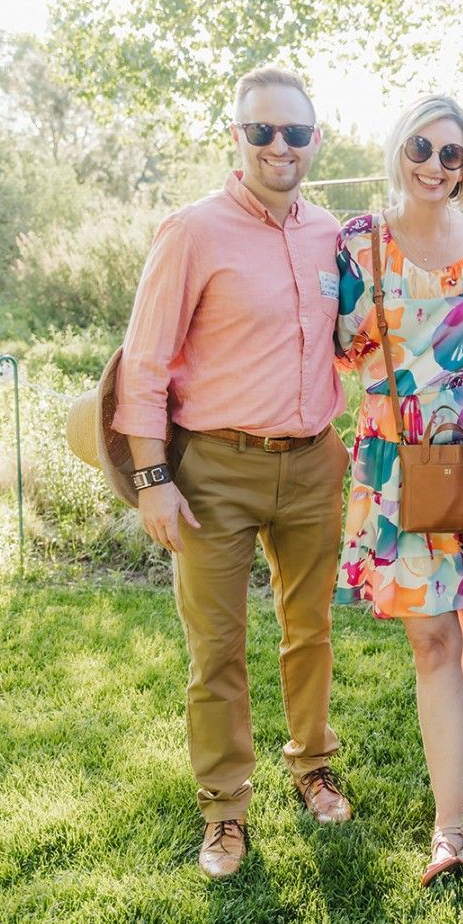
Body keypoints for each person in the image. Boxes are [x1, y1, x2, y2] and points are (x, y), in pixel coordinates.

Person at [112, 66, 352, 879]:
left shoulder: (332, 235)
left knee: (309, 630)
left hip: (315, 463)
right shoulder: (192, 231)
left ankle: (312, 761)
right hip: (212, 468)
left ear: (315, 139)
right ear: (237, 138)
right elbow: (143, 363)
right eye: (262, 132)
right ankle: (224, 809)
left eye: (294, 132)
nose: (278, 146)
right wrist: (152, 477)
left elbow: (354, 337)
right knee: (215, 647)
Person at [334, 94, 463, 885]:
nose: (434, 165)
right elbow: (336, 349)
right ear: (398, 148)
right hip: (396, 461)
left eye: (452, 154)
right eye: (422, 147)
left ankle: (454, 770)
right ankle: (451, 827)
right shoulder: (361, 244)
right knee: (433, 639)